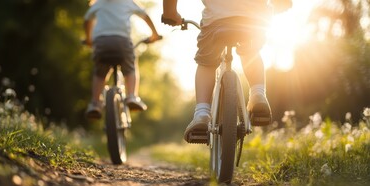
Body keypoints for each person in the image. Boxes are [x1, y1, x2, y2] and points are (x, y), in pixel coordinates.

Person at [162, 0, 292, 143]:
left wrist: (170, 13)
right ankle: (258, 94)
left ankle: (202, 113)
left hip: (217, 21)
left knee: (207, 63)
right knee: (251, 52)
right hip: (254, 20)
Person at [83, 0, 161, 119]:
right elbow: (145, 15)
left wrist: (89, 39)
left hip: (101, 43)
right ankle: (131, 96)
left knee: (99, 73)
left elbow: (87, 20)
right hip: (122, 42)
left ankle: (95, 103)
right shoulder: (127, 1)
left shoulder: (98, 3)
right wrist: (154, 34)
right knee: (130, 68)